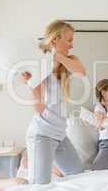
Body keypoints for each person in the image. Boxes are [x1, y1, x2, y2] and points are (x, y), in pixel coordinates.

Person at [21, 20, 86, 184]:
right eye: (69, 40)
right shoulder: (41, 66)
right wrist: (32, 84)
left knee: (77, 174)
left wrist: (56, 56)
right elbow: (39, 107)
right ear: (55, 39)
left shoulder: (69, 60)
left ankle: (35, 164)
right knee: (39, 184)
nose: (71, 45)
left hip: (60, 134)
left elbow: (81, 72)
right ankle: (29, 167)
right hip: (42, 133)